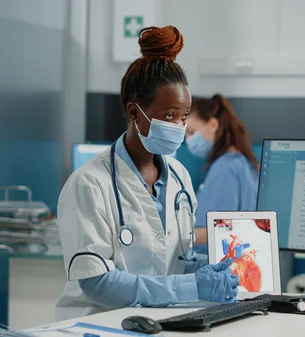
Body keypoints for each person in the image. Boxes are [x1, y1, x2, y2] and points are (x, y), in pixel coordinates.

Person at [55, 26, 239, 320]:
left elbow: (174, 260)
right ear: (133, 112)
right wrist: (190, 287)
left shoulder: (179, 177)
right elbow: (96, 282)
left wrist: (205, 268)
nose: (178, 126)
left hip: (158, 322)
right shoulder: (90, 183)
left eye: (184, 116)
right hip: (100, 323)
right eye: (169, 115)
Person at [184, 95, 259, 252]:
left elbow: (220, 230)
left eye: (191, 132)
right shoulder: (242, 162)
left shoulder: (225, 167)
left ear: (212, 124)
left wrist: (174, 237)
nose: (188, 140)